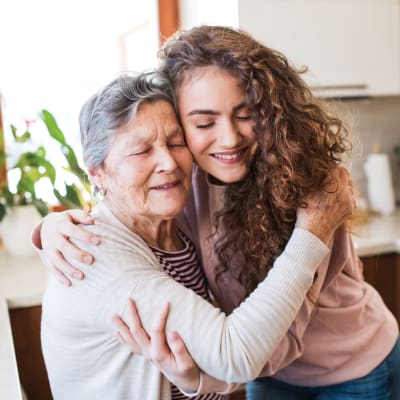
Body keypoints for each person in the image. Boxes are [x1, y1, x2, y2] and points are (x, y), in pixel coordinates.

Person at [34, 25, 400, 399]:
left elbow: (281, 339)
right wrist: (51, 226)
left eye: (245, 114)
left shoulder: (306, 192)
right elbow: (121, 199)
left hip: (350, 365)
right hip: (263, 370)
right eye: (203, 123)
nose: (228, 138)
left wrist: (199, 380)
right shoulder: (182, 186)